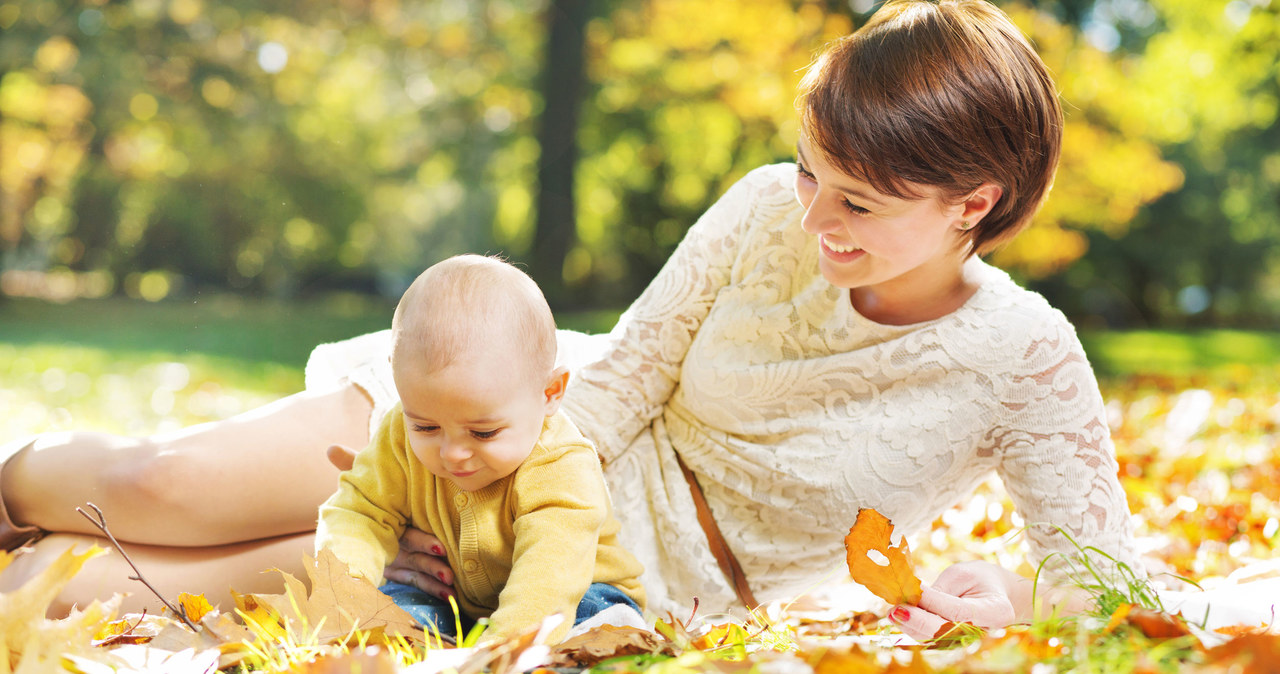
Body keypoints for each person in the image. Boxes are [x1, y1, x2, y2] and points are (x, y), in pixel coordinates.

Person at [0, 0, 1139, 643]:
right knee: (162, 486)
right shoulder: (759, 212)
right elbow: (626, 374)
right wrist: (472, 479)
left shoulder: (1024, 360)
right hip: (508, 419)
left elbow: (1109, 578)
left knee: (102, 585)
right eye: (807, 173)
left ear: (972, 205)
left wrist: (1023, 593)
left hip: (599, 563)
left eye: (856, 202)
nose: (813, 216)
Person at [315, 254, 645, 643]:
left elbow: (549, 578)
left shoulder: (561, 465)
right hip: (457, 603)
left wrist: (501, 655)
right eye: (426, 426)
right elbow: (358, 513)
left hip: (574, 593)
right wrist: (346, 602)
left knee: (596, 625)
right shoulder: (397, 435)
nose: (453, 452)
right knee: (393, 617)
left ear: (550, 393)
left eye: (483, 433)